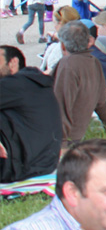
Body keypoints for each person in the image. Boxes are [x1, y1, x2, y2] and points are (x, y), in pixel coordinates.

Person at [0, 44, 62, 183]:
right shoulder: (33, 82)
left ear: (13, 63)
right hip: (43, 164)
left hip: (19, 167)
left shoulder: (15, 84)